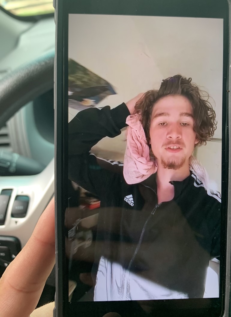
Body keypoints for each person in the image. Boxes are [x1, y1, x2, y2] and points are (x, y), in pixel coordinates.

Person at [68, 74, 221, 301]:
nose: (174, 132)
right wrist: (121, 113)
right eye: (162, 122)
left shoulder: (213, 206)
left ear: (197, 135)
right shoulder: (119, 179)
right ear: (147, 133)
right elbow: (66, 150)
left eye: (185, 123)